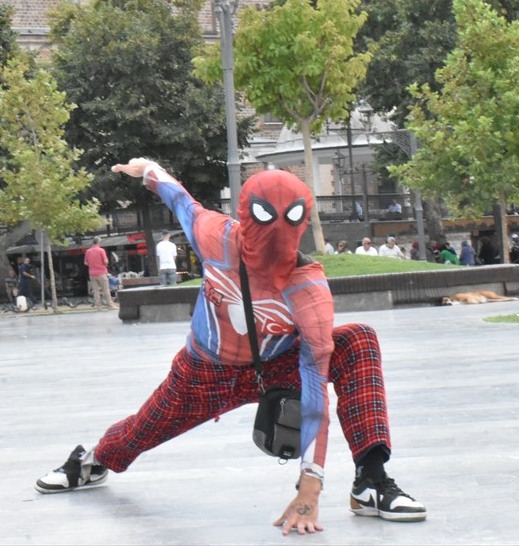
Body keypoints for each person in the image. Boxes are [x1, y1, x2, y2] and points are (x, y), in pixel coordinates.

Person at [34, 159, 426, 533]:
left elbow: (314, 380)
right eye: (263, 218)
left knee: (357, 341)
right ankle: (92, 462)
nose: (274, 233)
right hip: (203, 373)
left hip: (276, 367)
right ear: (244, 214)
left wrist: (311, 484)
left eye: (288, 219)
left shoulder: (307, 289)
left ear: (302, 221)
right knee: (141, 430)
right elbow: (182, 201)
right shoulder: (215, 238)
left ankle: (371, 481)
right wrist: (149, 171)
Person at [84, 237, 115, 310]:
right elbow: (105, 261)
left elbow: (85, 262)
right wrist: (105, 263)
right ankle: (110, 305)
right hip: (101, 272)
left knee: (96, 291)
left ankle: (98, 306)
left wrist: (92, 265)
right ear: (99, 242)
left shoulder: (88, 251)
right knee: (106, 289)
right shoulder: (101, 250)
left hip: (92, 273)